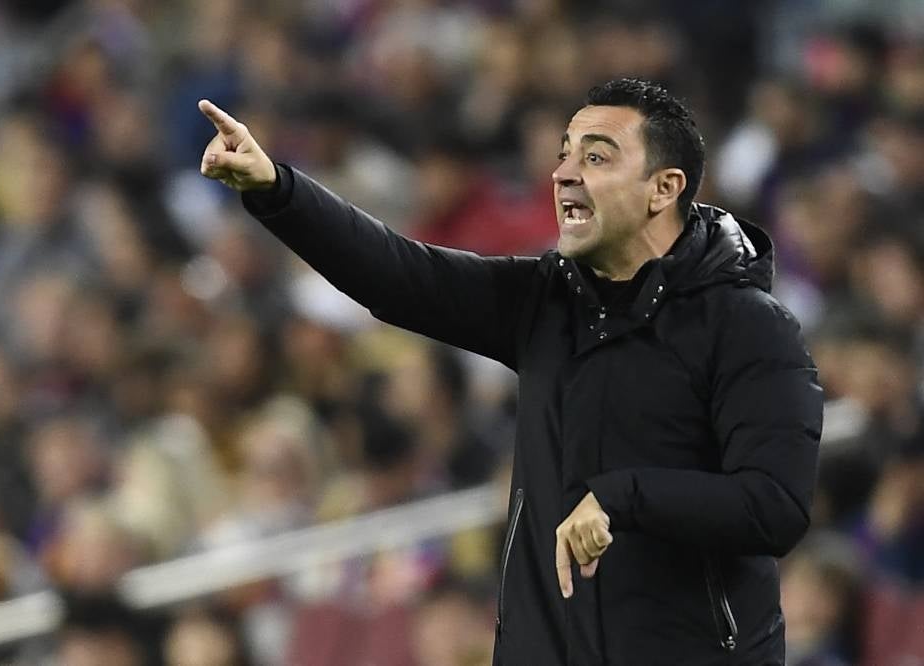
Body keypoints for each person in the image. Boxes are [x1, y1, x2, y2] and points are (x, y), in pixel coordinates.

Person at [197, 78, 824, 665]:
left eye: (597, 158)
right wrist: (275, 187)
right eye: (564, 154)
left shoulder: (750, 325)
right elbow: (398, 274)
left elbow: (774, 505)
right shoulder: (545, 302)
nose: (563, 174)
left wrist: (623, 497)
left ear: (664, 188)